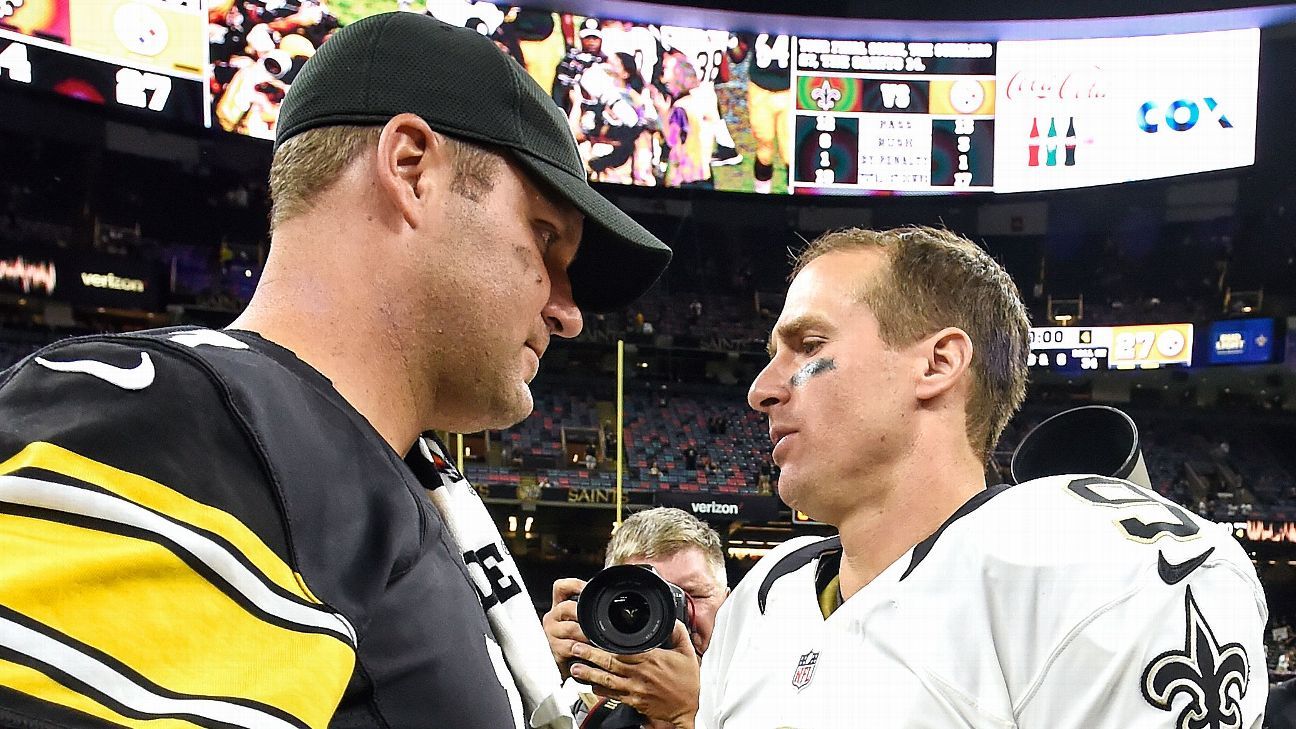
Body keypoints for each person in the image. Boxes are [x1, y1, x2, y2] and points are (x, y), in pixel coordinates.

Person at [0, 12, 669, 729]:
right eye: (544, 238)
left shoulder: (382, 470)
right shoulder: (175, 416)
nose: (567, 311)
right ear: (412, 168)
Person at [698, 226, 1268, 727]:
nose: (762, 389)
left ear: (938, 364)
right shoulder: (763, 597)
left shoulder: (1103, 572)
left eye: (808, 346)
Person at [543, 507, 729, 729]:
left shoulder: (767, 698)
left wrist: (690, 714)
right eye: (643, 601)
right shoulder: (589, 715)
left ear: (730, 603)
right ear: (600, 611)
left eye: (693, 595)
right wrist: (539, 676)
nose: (672, 622)